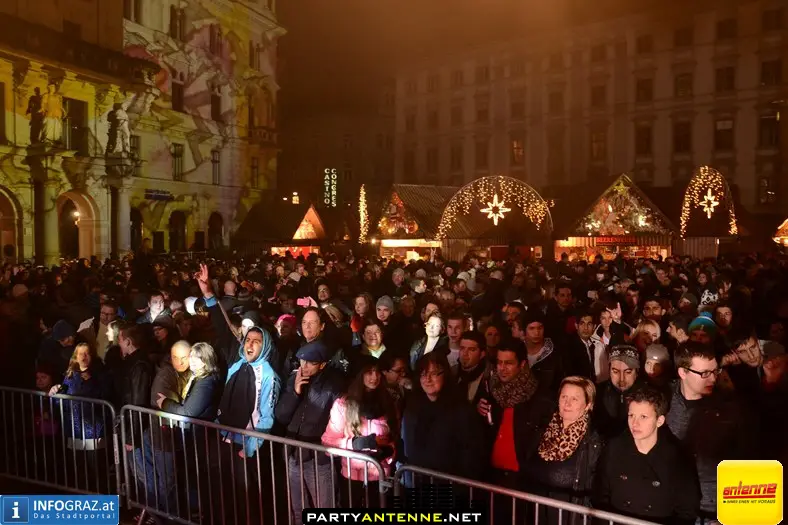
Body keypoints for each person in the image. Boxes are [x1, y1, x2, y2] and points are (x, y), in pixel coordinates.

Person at [594, 386, 700, 525]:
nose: (635, 423)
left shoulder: (678, 457)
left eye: (643, 417)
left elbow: (687, 510)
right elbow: (600, 495)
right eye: (631, 415)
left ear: (659, 421)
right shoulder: (614, 448)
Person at [275, 339, 344, 525]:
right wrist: (295, 392)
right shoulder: (295, 378)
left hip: (318, 458)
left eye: (310, 362)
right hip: (293, 454)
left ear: (322, 364)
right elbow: (281, 415)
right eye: (302, 361)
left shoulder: (334, 385)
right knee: (298, 509)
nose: (304, 366)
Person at [321, 358, 397, 507]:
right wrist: (356, 443)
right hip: (351, 477)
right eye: (369, 372)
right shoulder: (344, 404)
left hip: (379, 476)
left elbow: (393, 437)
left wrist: (389, 452)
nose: (374, 377)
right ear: (360, 374)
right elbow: (327, 443)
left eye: (377, 372)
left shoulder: (388, 403)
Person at [527, 377, 602, 525]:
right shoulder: (542, 429)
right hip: (536, 515)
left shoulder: (593, 443)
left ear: (588, 405)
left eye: (575, 399)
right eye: (564, 397)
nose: (567, 403)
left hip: (569, 519)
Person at [400, 352, 485, 483]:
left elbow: (470, 454)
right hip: (419, 481)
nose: (428, 379)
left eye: (434, 374)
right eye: (423, 374)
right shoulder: (413, 407)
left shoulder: (460, 409)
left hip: (450, 483)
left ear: (445, 375)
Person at [594, 345, 642, 439]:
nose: (621, 379)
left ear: (637, 372)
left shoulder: (648, 395)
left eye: (628, 372)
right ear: (609, 370)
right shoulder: (597, 393)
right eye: (616, 372)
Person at [453, 331, 487, 403]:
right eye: (462, 348)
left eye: (471, 349)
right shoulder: (452, 372)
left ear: (482, 354)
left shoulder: (489, 376)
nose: (465, 353)